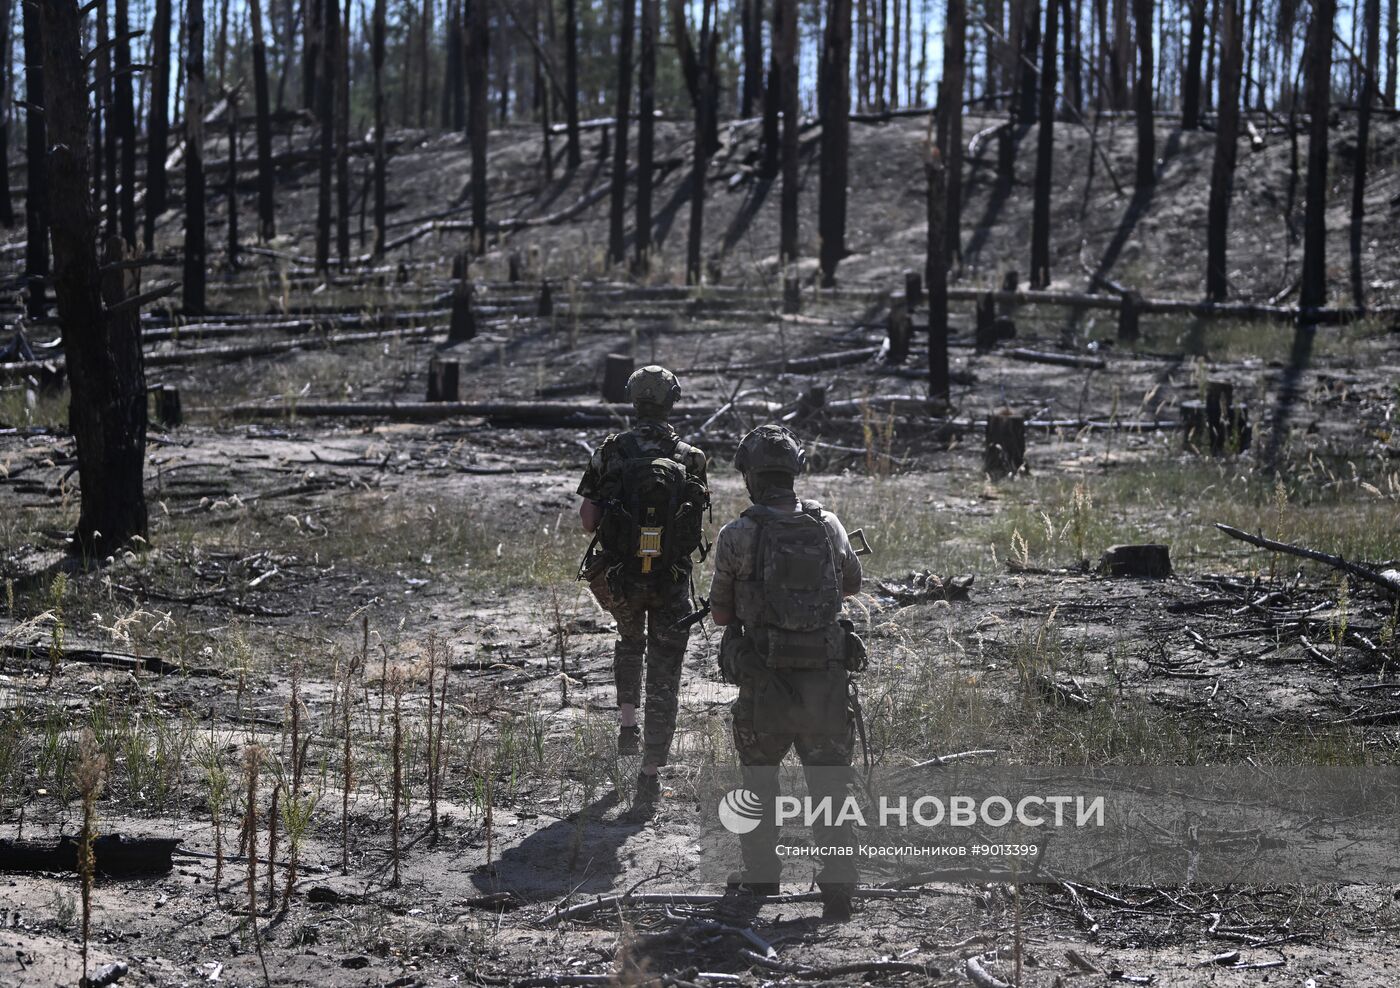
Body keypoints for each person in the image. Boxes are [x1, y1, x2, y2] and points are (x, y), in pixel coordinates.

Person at [708, 424, 864, 921]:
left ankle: (761, 876)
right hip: (823, 678)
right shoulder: (829, 524)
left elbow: (720, 616)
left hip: (764, 681)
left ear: (751, 476)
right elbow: (852, 584)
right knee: (830, 784)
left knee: (758, 780)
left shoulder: (737, 534)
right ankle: (838, 886)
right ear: (795, 471)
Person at [577, 365, 709, 811]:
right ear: (673, 401)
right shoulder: (692, 457)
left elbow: (589, 521)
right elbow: (695, 525)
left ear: (633, 401)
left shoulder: (610, 451)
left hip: (624, 577)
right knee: (666, 671)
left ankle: (628, 725)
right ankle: (650, 774)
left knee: (630, 643)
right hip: (672, 580)